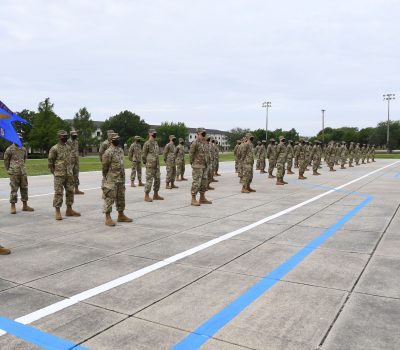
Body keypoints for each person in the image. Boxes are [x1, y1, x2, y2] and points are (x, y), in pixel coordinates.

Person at [48, 130, 80, 220]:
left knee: (70, 191)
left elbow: (71, 160)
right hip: (59, 174)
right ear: (59, 137)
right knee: (58, 192)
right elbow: (50, 163)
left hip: (69, 173)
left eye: (66, 136)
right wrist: (55, 172)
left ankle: (69, 210)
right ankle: (57, 211)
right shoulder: (54, 148)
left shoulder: (69, 147)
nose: (65, 138)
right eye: (63, 136)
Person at [102, 133, 132, 226]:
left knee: (121, 198)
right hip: (111, 179)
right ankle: (108, 217)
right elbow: (104, 167)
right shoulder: (108, 152)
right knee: (109, 198)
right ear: (110, 140)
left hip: (120, 178)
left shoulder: (120, 150)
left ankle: (121, 215)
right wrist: (107, 178)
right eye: (115, 139)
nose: (117, 140)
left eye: (118, 139)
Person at [4, 133, 34, 214]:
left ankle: (25, 205)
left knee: (24, 188)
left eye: (20, 139)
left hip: (23, 172)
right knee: (14, 189)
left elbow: (24, 159)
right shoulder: (9, 149)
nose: (19, 140)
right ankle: (13, 206)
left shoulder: (23, 149)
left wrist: (22, 168)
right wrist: (9, 170)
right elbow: (6, 161)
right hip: (14, 173)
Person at [189, 128, 212, 205]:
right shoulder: (195, 143)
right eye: (202, 133)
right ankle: (193, 198)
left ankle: (202, 198)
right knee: (196, 183)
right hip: (197, 166)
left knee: (204, 183)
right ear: (198, 134)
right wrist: (193, 164)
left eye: (204, 133)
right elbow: (191, 155)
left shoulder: (205, 143)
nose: (203, 135)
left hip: (204, 166)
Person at [142, 129, 164, 202]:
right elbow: (144, 155)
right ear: (150, 134)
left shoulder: (155, 143)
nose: (155, 135)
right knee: (149, 180)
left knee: (157, 179)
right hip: (150, 165)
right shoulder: (147, 143)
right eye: (153, 134)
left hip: (156, 165)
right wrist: (146, 163)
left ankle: (156, 194)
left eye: (155, 133)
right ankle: (146, 195)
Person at [67, 130, 84, 195]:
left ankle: (76, 190)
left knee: (76, 175)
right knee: (70, 175)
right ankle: (70, 190)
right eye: (73, 135)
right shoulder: (68, 141)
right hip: (70, 161)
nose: (75, 136)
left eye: (76, 135)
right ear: (71, 135)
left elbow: (76, 150)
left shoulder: (76, 142)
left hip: (76, 160)